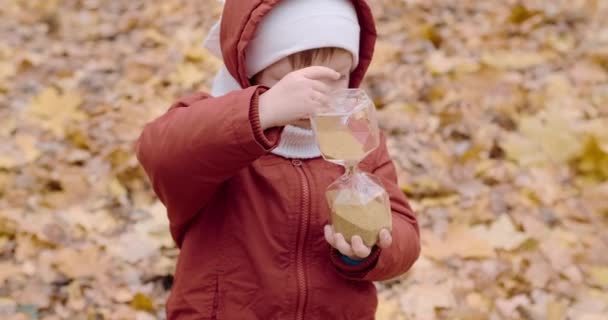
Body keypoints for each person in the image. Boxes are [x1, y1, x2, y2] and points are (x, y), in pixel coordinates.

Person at [135, 0, 420, 319]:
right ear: (252, 69)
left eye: (337, 77)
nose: (317, 95)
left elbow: (403, 230)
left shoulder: (355, 140)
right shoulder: (218, 132)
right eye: (292, 81)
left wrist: (371, 249)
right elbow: (161, 153)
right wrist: (263, 110)